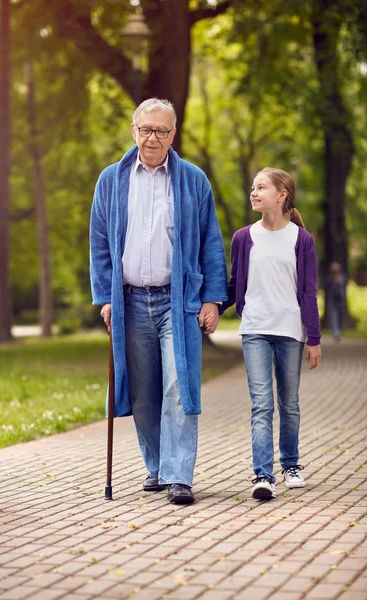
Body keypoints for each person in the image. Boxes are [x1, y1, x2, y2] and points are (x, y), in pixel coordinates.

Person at [89, 98, 227, 504]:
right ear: (133, 130)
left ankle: (179, 474)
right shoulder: (111, 180)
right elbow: (99, 243)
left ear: (173, 135)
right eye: (146, 129)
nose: (153, 137)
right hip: (129, 300)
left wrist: (213, 300)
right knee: (144, 392)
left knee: (178, 386)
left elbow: (211, 243)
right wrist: (105, 297)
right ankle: (156, 467)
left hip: (177, 301)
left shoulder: (193, 180)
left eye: (161, 131)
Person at [219, 167, 322, 501]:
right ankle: (263, 475)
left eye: (261, 187)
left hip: (291, 331)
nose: (253, 192)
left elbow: (308, 292)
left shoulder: (301, 240)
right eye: (252, 187)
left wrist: (315, 339)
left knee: (288, 403)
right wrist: (213, 308)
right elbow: (236, 286)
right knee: (261, 404)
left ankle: (290, 464)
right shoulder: (243, 238)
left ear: (282, 195)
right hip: (255, 331)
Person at [325, 262, 346, 342]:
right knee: (334, 318)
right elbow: (327, 290)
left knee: (340, 317)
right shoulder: (329, 279)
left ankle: (339, 332)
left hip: (340, 301)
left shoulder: (343, 278)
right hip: (332, 301)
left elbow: (343, 289)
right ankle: (336, 334)